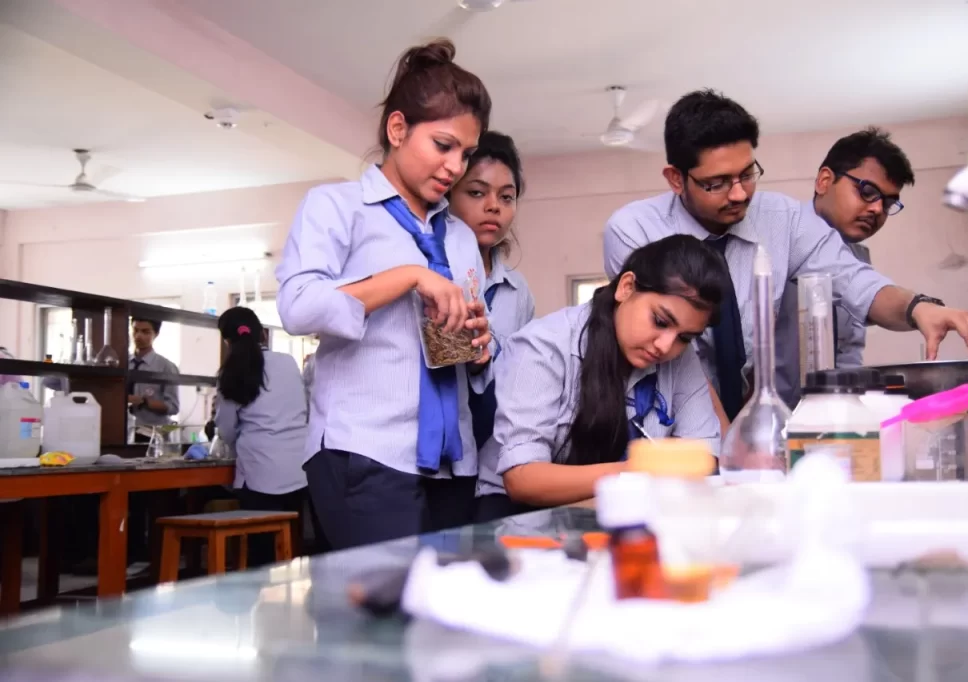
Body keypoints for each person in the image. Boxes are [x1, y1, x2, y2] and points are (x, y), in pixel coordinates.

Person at [603, 90, 968, 423]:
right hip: (660, 416)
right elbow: (674, 352)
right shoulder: (635, 230)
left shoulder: (783, 221)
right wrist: (728, 442)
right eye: (716, 183)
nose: (739, 194)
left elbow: (854, 280)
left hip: (743, 413)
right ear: (675, 179)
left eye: (747, 174)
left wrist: (920, 308)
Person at [275, 39, 494, 551]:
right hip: (365, 453)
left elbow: (470, 349)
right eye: (443, 145)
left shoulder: (459, 236)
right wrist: (408, 277)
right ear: (398, 129)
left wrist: (483, 347)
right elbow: (297, 306)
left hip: (452, 462)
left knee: (438, 619)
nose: (456, 167)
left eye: (466, 153)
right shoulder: (337, 207)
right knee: (377, 623)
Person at [476, 235, 727, 520]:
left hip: (627, 512)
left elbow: (702, 458)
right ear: (626, 287)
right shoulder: (543, 346)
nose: (666, 346)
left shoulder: (681, 358)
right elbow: (523, 479)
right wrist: (636, 472)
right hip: (519, 519)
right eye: (660, 321)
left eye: (685, 337)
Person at [776, 128, 916, 408]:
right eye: (867, 191)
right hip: (761, 427)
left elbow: (848, 354)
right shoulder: (775, 240)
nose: (877, 209)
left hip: (825, 424)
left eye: (888, 203)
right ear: (824, 181)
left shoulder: (858, 261)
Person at [447, 130, 535, 449]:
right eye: (476, 192)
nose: (493, 207)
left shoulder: (518, 291)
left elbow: (520, 379)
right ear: (448, 196)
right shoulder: (432, 274)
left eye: (506, 197)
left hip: (494, 450)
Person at [213, 307, 313, 566]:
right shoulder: (288, 362)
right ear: (263, 334)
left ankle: (255, 594)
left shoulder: (230, 372)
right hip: (298, 470)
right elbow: (302, 407)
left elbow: (225, 429)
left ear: (226, 340)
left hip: (259, 470)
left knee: (260, 550)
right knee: (292, 540)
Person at [127, 318, 180, 443]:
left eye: (145, 332)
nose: (138, 336)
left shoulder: (166, 367)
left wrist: (143, 401)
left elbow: (173, 407)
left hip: (152, 435)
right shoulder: (124, 363)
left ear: (155, 334)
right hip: (125, 432)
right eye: (135, 330)